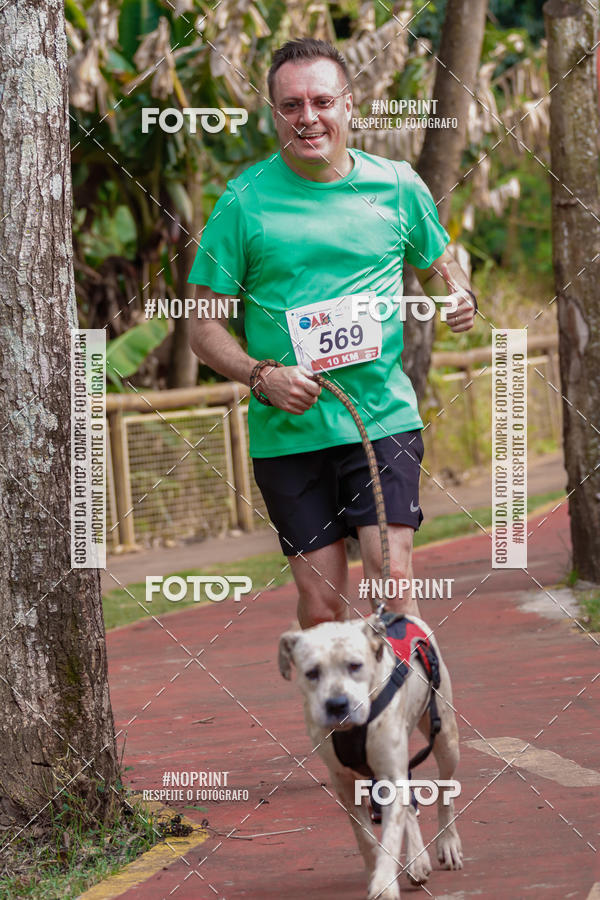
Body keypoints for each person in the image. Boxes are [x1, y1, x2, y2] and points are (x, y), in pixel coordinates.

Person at [188, 38, 476, 629]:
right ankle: (347, 725)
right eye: (291, 105)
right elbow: (202, 326)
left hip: (380, 418)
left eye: (322, 101)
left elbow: (441, 265)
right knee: (322, 609)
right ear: (275, 115)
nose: (308, 117)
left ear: (349, 105)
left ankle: (417, 722)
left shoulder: (396, 185)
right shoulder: (244, 202)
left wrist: (459, 294)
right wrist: (261, 376)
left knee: (393, 587)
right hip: (288, 435)